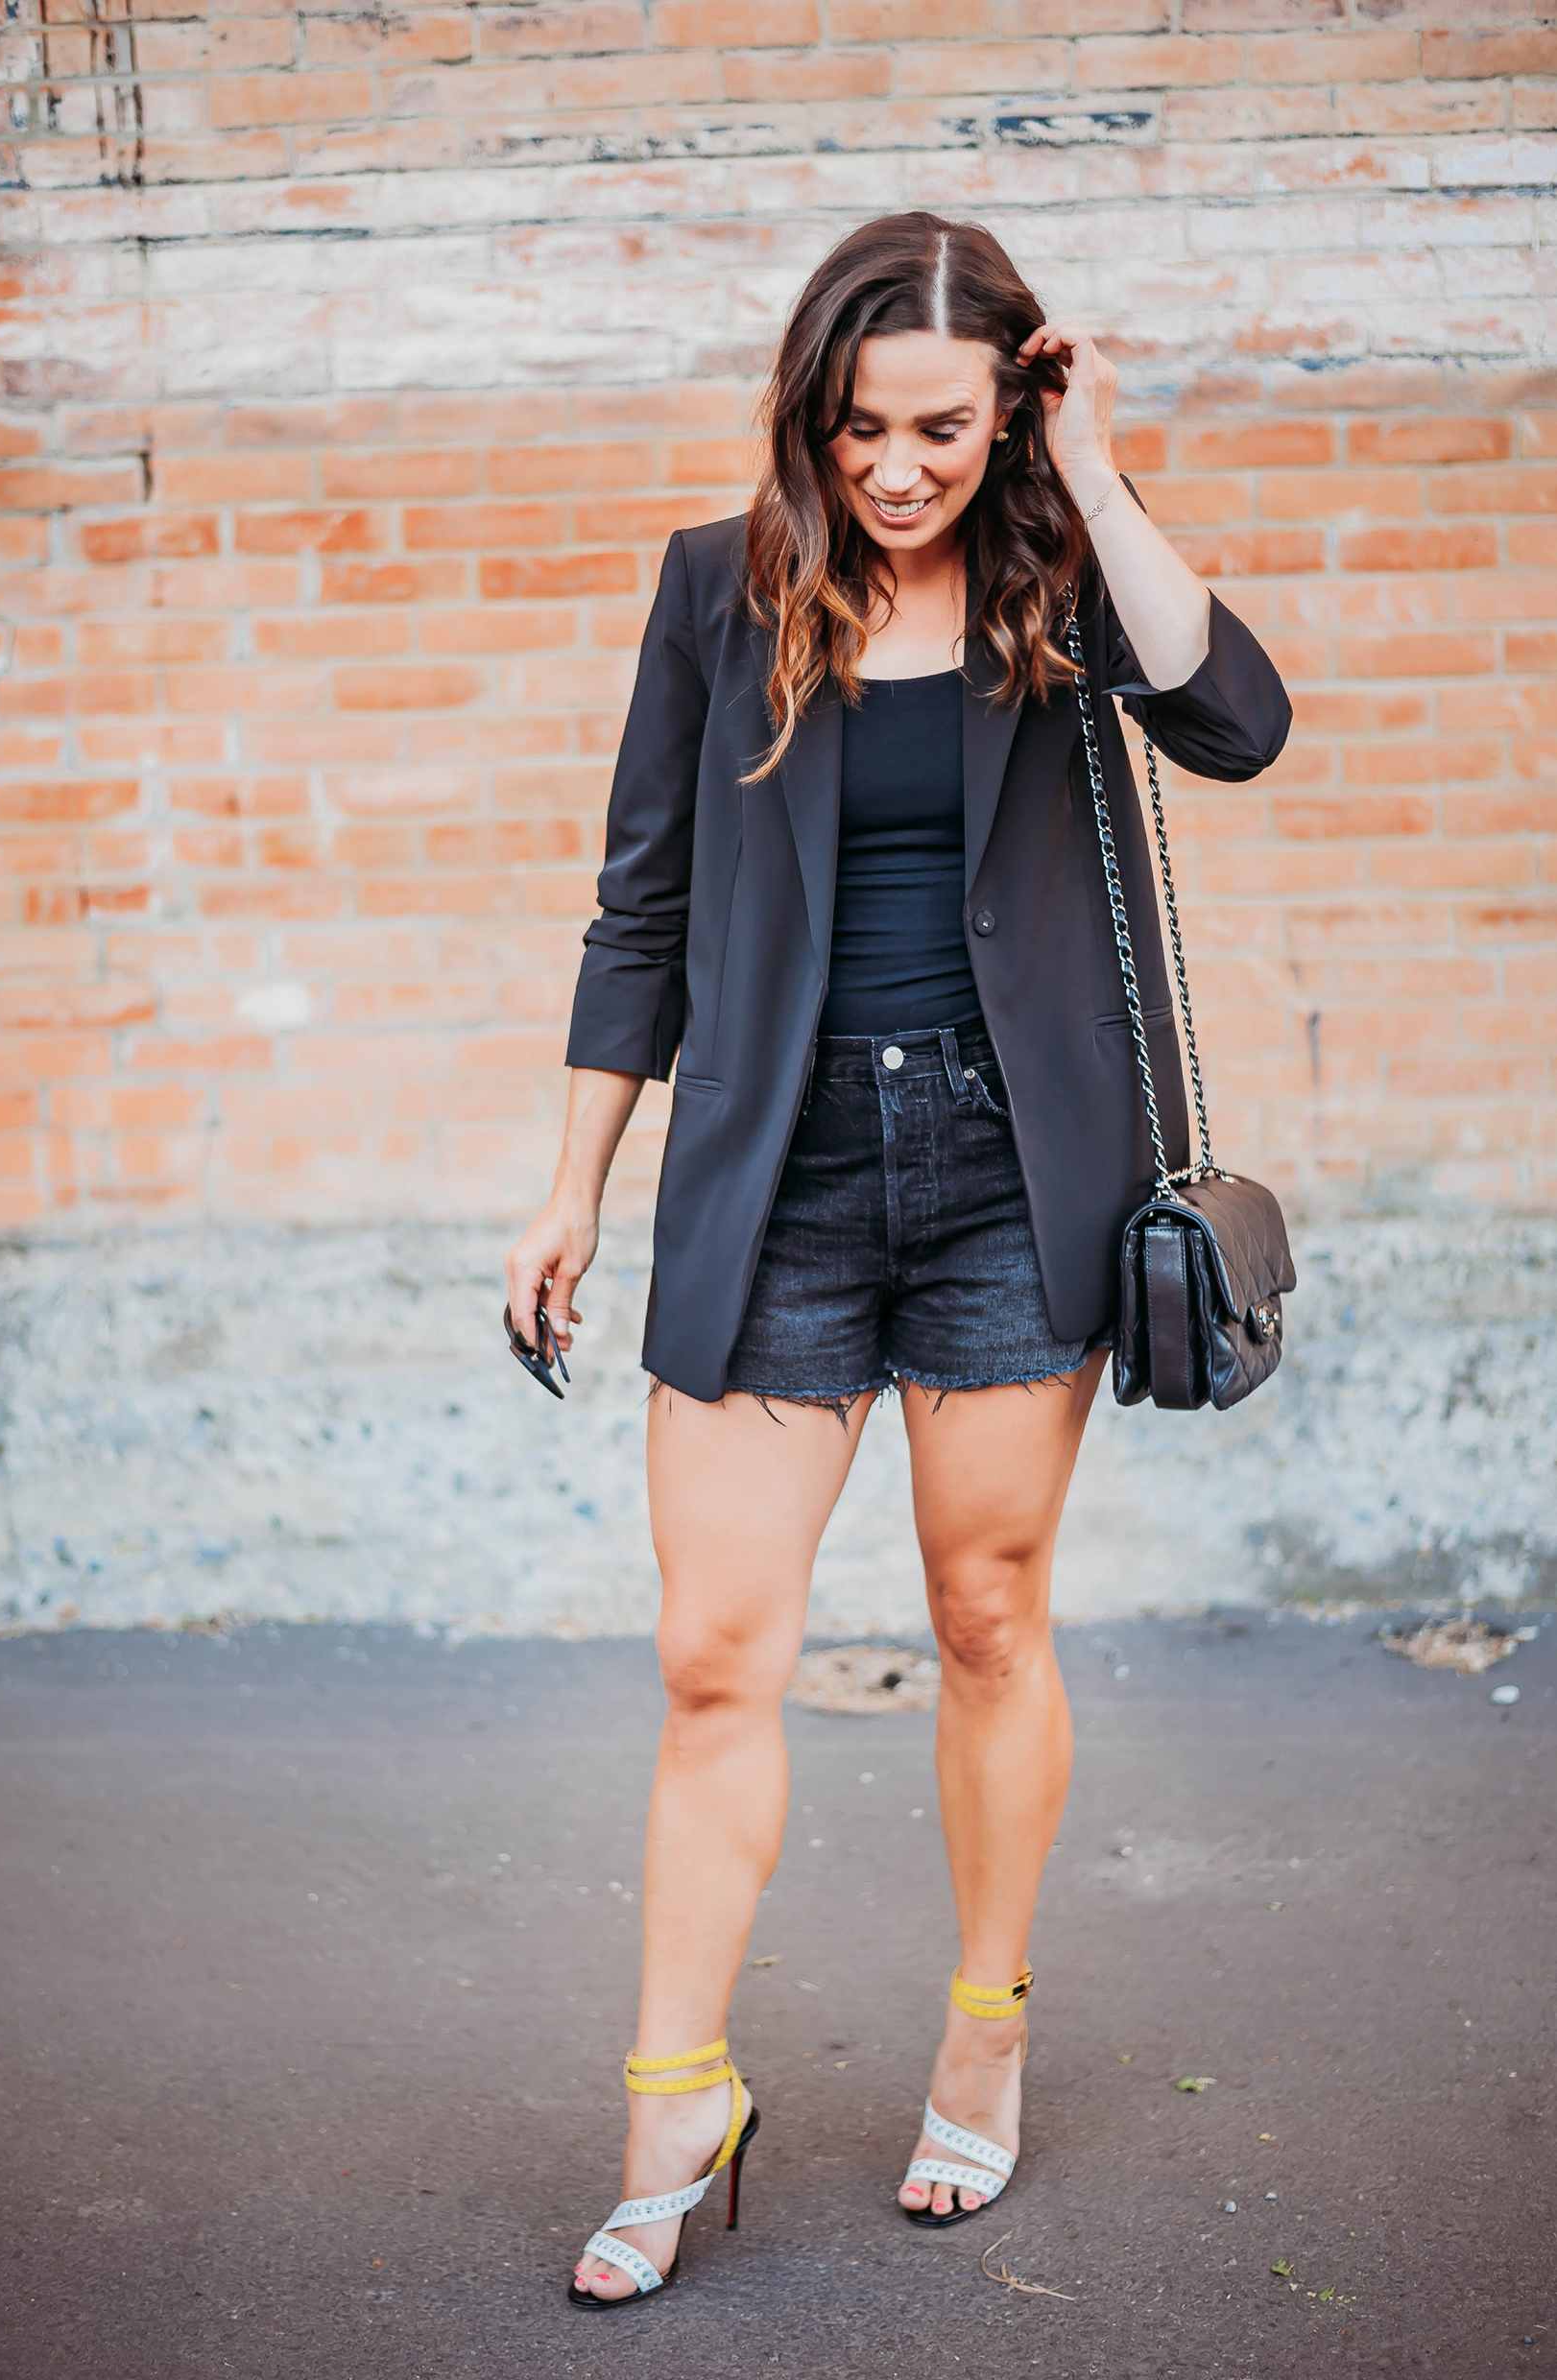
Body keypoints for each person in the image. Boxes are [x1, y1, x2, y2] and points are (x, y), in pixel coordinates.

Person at [505, 210, 1291, 2309]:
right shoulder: (718, 587)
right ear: (810, 414)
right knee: (710, 1652)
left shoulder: (1062, 582)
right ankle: (679, 2092)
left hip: (1004, 1166)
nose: (897, 469)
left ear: (1007, 401)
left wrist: (1094, 470)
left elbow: (1237, 723)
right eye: (861, 428)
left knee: (987, 1609)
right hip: (773, 1170)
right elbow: (639, 906)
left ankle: (987, 2014)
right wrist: (575, 1177)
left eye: (943, 426)